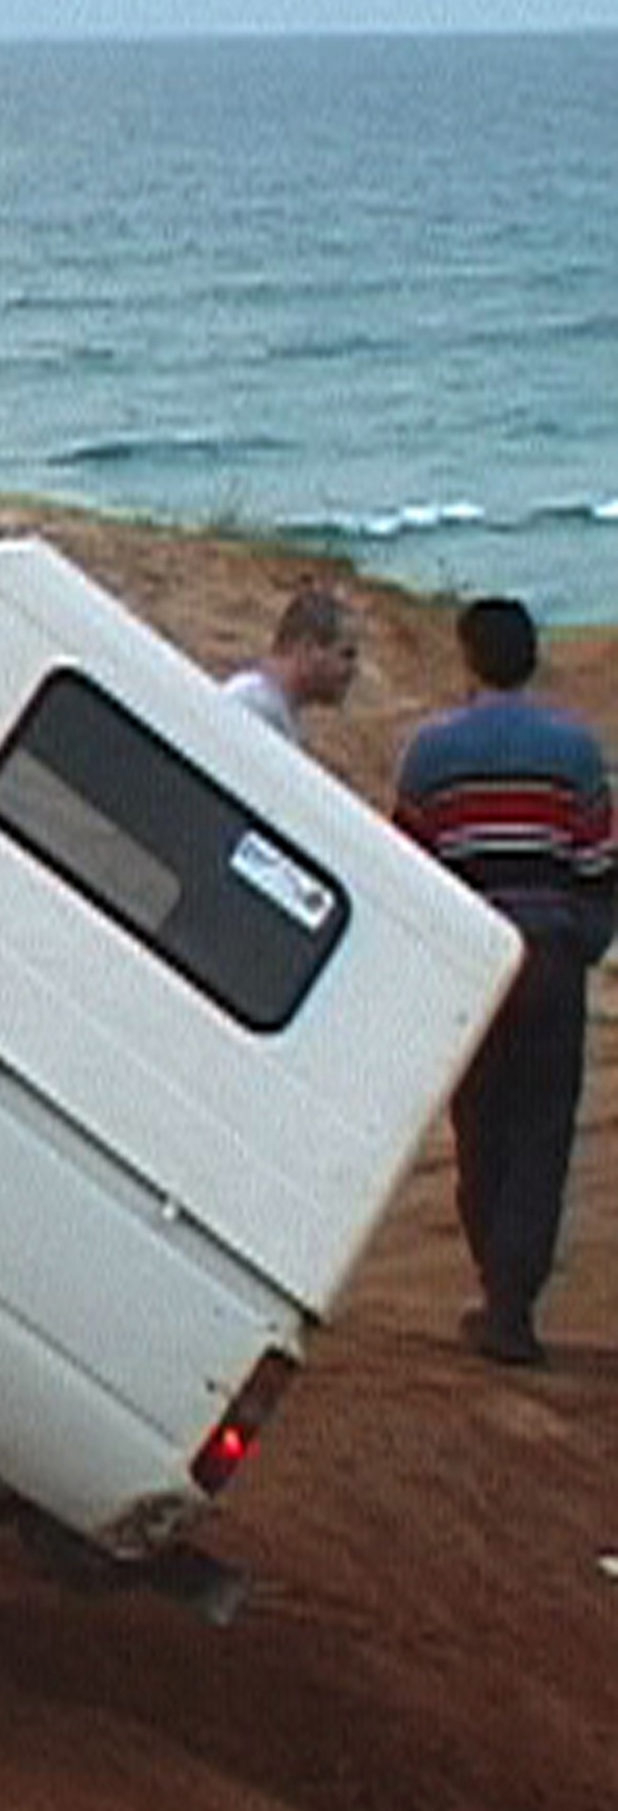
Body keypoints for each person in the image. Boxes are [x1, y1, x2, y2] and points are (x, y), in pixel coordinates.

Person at [392, 597, 613, 1368]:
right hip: (550, 955)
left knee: (480, 1124)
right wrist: (582, 941)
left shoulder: (429, 753)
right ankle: (512, 1301)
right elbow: (597, 864)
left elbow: (412, 868)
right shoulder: (577, 753)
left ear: (467, 658)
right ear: (533, 658)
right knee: (542, 1130)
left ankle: (498, 1290)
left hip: (474, 959)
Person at [220, 586, 359, 745]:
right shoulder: (256, 706)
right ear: (307, 649)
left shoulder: (277, 711)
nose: (354, 670)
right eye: (346, 655)